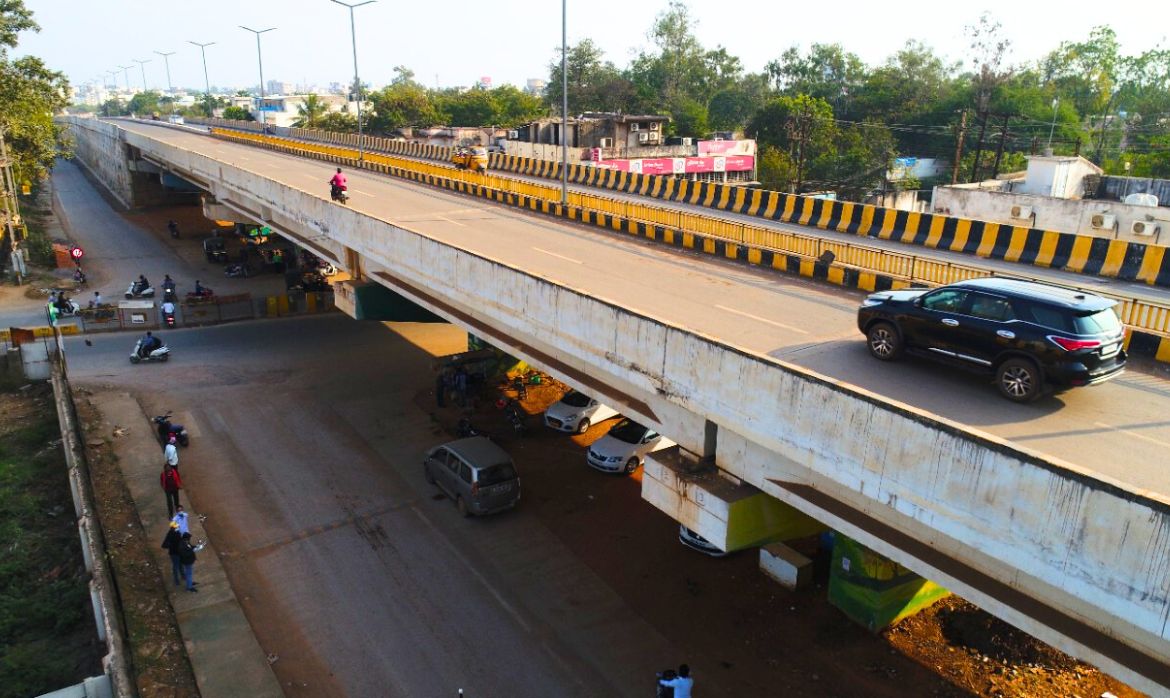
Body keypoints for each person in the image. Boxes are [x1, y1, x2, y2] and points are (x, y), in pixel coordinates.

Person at [161, 521, 183, 587]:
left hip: (179, 553)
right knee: (176, 567)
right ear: (172, 528)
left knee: (180, 565)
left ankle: (183, 575)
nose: (177, 527)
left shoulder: (178, 533)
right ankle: (176, 580)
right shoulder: (170, 534)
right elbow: (164, 545)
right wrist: (172, 546)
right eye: (176, 527)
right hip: (174, 554)